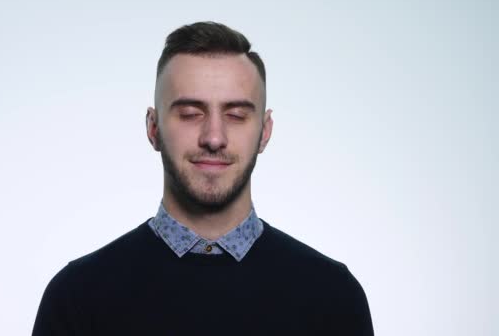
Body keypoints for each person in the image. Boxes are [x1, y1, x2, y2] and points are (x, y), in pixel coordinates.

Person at [32, 21, 374, 335]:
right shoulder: (78, 296)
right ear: (153, 128)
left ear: (265, 132)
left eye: (236, 115)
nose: (213, 137)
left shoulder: (332, 296)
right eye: (190, 114)